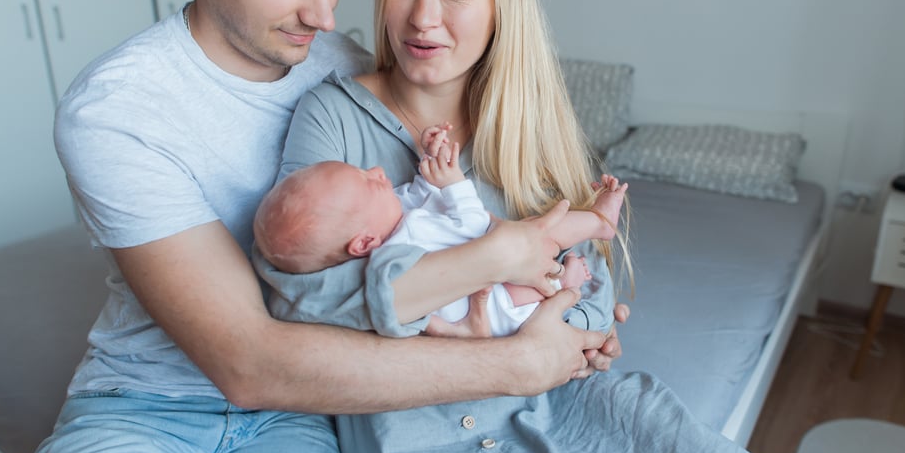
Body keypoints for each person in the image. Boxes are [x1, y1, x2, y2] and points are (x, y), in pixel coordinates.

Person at [14, 0, 628, 453]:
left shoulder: (340, 64)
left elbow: (431, 234)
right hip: (143, 401)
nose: (324, 14)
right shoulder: (116, 108)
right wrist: (513, 362)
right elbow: (247, 362)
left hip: (300, 414)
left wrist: (569, 303)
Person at [258, 0, 825, 453]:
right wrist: (491, 270)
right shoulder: (332, 119)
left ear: (501, 5)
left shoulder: (529, 128)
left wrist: (575, 333)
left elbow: (588, 292)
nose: (422, 17)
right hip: (422, 437)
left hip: (569, 409)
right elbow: (296, 300)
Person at [254, 124, 629, 336]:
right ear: (364, 243)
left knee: (532, 238)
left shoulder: (390, 216)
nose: (379, 172)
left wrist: (431, 165)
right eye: (370, 182)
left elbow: (419, 197)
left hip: (496, 277)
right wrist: (452, 183)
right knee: (540, 236)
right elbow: (474, 226)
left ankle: (579, 261)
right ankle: (594, 231)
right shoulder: (398, 254)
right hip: (496, 306)